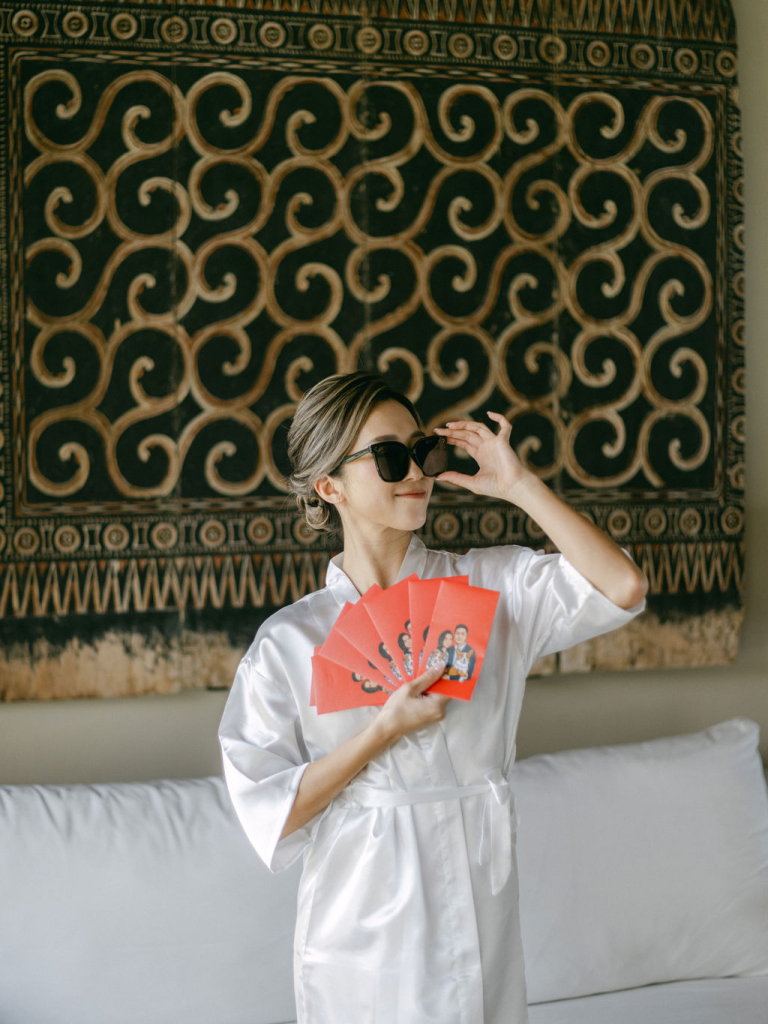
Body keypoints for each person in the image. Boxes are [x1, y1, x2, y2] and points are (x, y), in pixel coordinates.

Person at [219, 371, 648, 1024]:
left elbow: (623, 586)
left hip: (480, 898)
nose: (417, 471)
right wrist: (381, 732)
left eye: (422, 450)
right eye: (390, 457)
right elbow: (271, 812)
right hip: (361, 922)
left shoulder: (491, 587)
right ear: (330, 485)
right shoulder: (290, 641)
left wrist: (519, 485)